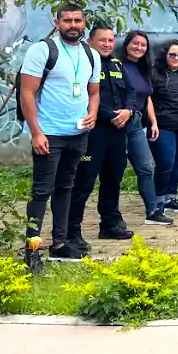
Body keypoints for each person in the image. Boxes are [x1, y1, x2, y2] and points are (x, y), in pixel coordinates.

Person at [18, 4, 101, 273]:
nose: (73, 25)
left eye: (77, 20)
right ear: (58, 22)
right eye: (67, 20)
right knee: (42, 191)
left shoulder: (91, 54)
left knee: (66, 188)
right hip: (49, 134)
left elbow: (93, 92)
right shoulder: (42, 50)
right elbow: (27, 93)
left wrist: (92, 114)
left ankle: (60, 243)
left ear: (84, 22)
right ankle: (32, 251)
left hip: (78, 134)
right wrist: (36, 132)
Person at [67, 24, 134, 252]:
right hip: (94, 132)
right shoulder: (84, 65)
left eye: (110, 40)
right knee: (83, 182)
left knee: (113, 180)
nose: (107, 44)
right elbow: (87, 95)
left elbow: (131, 92)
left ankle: (110, 223)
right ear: (90, 42)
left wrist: (129, 111)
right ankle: (71, 231)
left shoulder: (117, 64)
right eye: (102, 40)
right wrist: (110, 115)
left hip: (117, 132)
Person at [118, 30, 171, 226]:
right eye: (135, 44)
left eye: (143, 45)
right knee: (115, 171)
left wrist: (154, 122)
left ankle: (152, 211)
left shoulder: (143, 68)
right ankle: (111, 216)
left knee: (146, 168)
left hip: (137, 123)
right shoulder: (118, 65)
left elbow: (147, 96)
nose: (139, 48)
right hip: (118, 123)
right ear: (127, 45)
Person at [149, 39, 178, 215]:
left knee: (177, 163)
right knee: (165, 162)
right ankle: (158, 199)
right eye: (172, 54)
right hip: (163, 126)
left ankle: (171, 197)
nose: (176, 58)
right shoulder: (154, 74)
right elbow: (148, 100)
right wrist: (153, 122)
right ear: (165, 55)